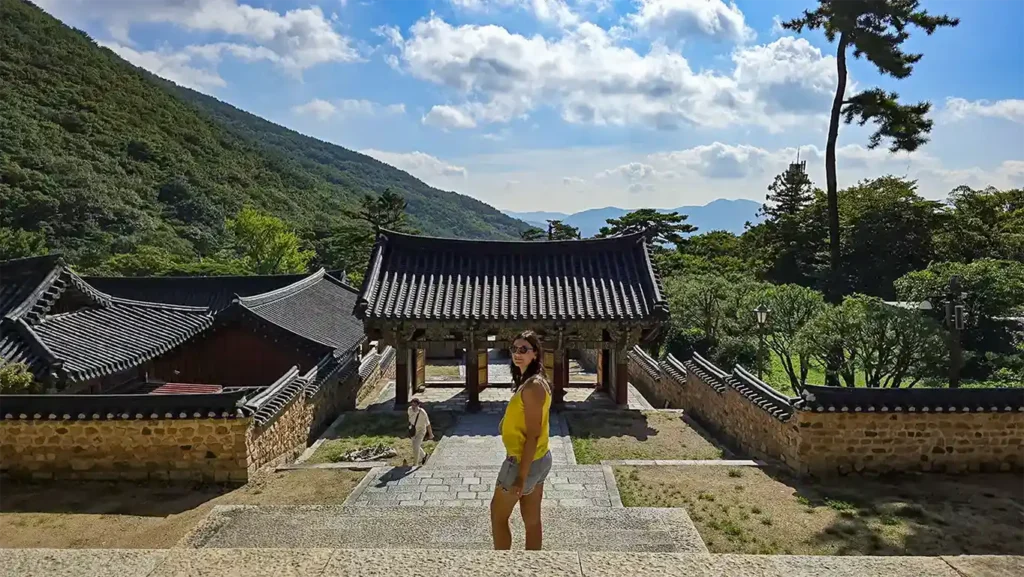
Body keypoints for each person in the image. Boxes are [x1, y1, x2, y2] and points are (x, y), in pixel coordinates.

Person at [490, 330, 553, 551]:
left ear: (535, 354)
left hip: (521, 462)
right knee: (531, 519)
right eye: (514, 349)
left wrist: (520, 477)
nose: (518, 354)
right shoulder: (530, 381)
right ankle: (532, 567)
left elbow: (533, 434)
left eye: (524, 349)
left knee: (498, 515)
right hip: (538, 458)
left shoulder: (534, 386)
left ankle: (503, 566)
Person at [407, 397, 433, 466]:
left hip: (421, 430)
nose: (413, 407)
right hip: (413, 430)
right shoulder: (409, 409)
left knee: (416, 446)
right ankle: (424, 456)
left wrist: (430, 434)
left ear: (418, 405)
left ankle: (415, 464)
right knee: (415, 445)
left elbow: (428, 424)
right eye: (412, 405)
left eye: (415, 405)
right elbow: (410, 419)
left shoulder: (422, 412)